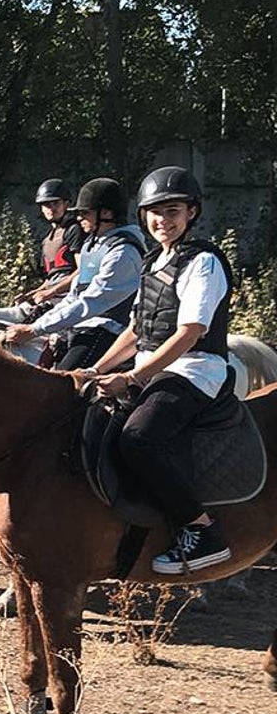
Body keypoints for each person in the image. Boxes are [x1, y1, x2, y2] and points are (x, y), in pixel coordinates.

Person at [80, 166, 233, 574]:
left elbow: (189, 332)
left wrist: (131, 378)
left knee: (139, 438)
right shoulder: (151, 262)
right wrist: (93, 370)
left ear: (192, 213)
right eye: (155, 212)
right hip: (153, 366)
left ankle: (201, 532)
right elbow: (136, 329)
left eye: (173, 211)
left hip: (195, 369)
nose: (163, 221)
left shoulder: (203, 262)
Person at [4, 178, 145, 370]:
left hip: (107, 329)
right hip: (82, 325)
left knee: (59, 386)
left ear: (106, 213)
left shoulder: (123, 253)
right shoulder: (93, 244)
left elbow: (91, 302)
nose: (79, 219)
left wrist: (34, 329)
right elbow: (75, 295)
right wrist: (38, 323)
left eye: (85, 213)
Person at [0, 178, 83, 325]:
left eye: (56, 203)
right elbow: (51, 278)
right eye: (46, 204)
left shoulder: (74, 230)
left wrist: (50, 293)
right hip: (45, 300)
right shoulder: (47, 239)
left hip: (64, 302)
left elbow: (81, 271)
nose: (51, 208)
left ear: (66, 204)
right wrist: (31, 294)